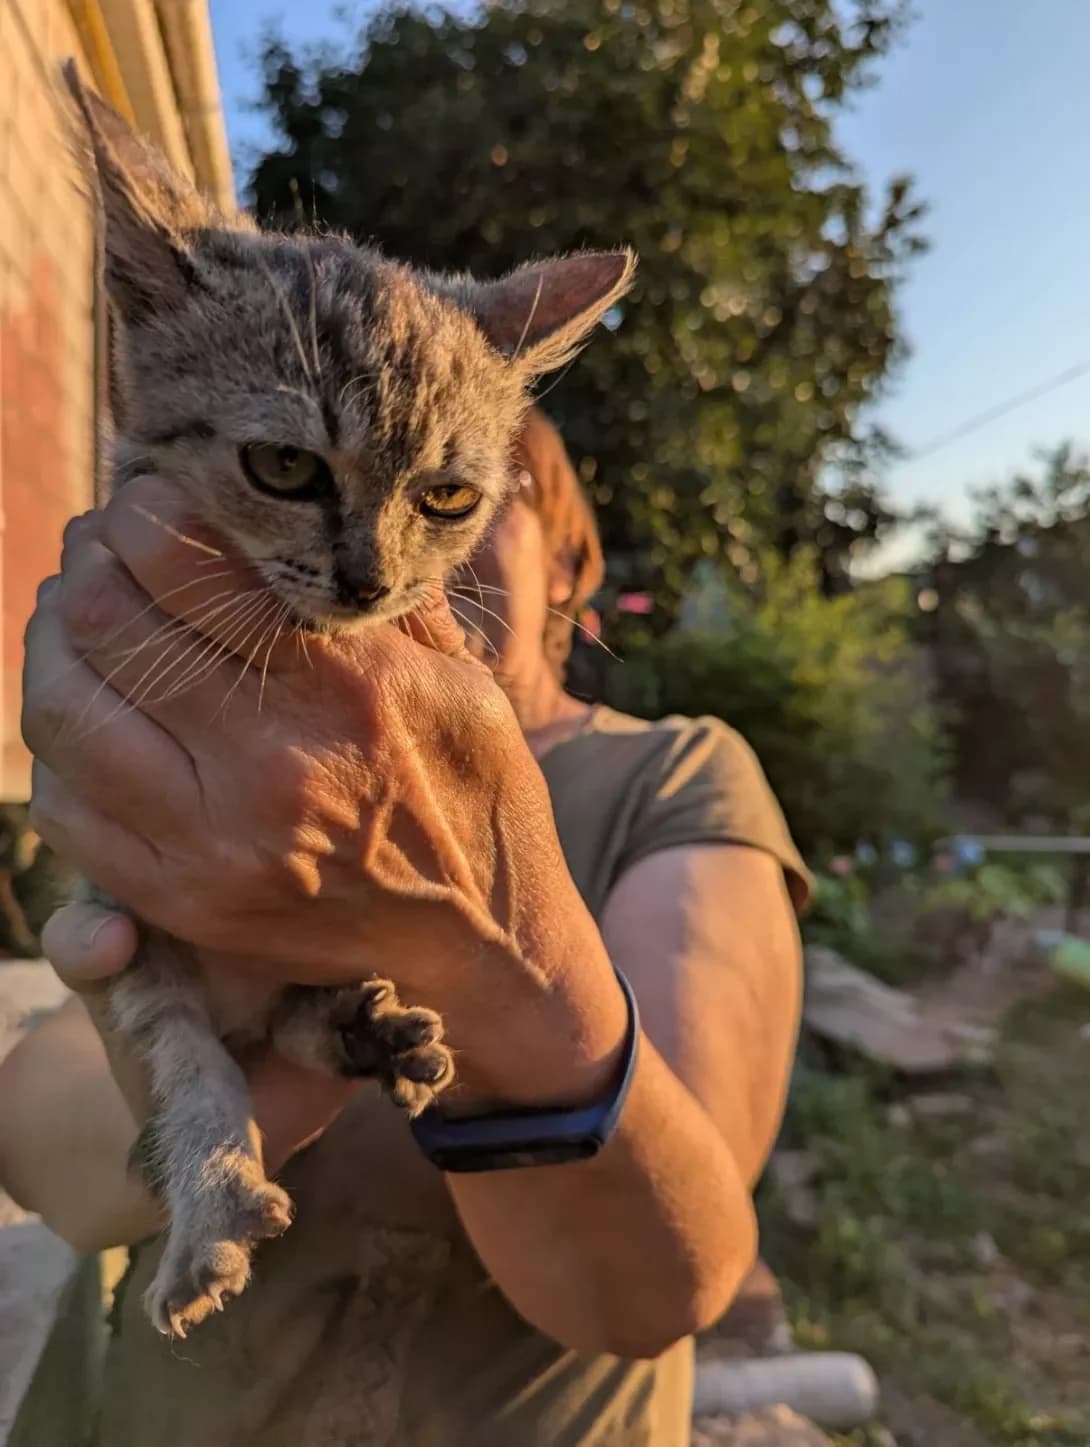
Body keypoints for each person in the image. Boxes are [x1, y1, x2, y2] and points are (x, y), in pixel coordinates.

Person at [0, 406, 809, 1446]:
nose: (374, 544)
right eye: (305, 474)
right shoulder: (237, 782)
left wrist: (454, 944)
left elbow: (649, 1287)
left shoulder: (675, 771)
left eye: (447, 496)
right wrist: (238, 1081)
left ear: (566, 561)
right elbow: (40, 1153)